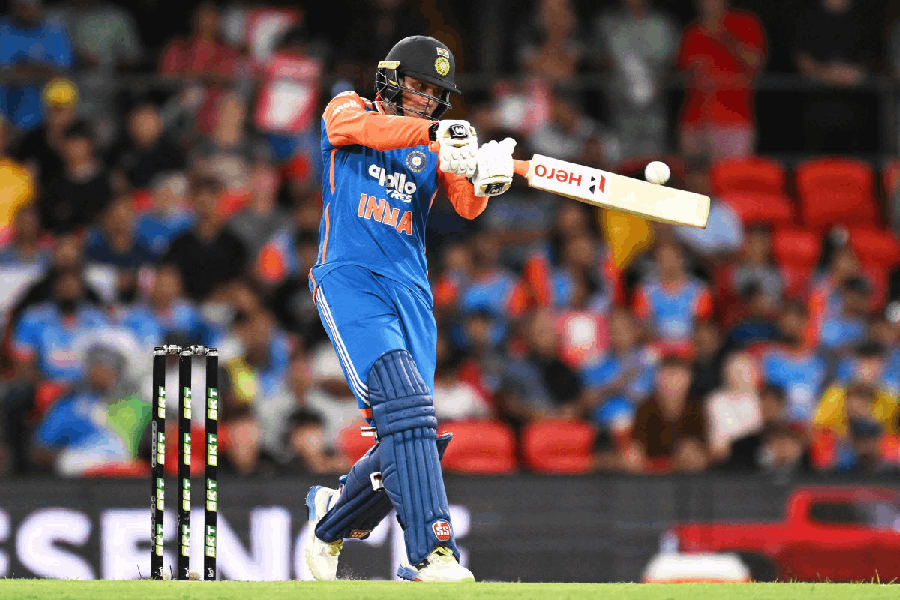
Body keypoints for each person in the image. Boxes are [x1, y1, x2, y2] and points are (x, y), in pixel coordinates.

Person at [304, 36, 516, 583]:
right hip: (351, 279)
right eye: (418, 86)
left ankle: (332, 520)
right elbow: (350, 132)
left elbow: (467, 205)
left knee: (411, 428)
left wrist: (487, 175)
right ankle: (431, 554)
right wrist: (438, 134)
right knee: (406, 411)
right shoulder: (349, 107)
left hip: (412, 293)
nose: (425, 99)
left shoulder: (436, 144)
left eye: (435, 94)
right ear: (392, 79)